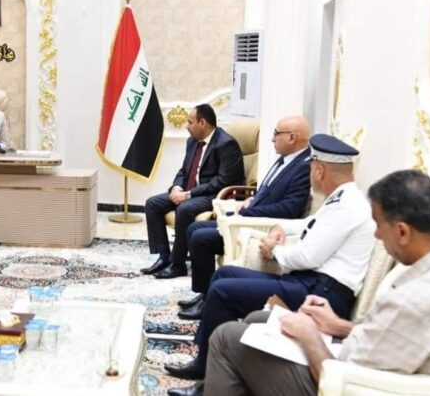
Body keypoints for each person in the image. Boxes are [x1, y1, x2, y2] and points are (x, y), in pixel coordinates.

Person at [201, 169, 430, 396]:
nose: (376, 235)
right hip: (368, 365)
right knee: (259, 319)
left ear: (403, 232)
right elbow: (395, 337)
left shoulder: (415, 300)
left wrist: (309, 334)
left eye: (379, 225)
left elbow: (346, 381)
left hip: (345, 384)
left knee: (226, 338)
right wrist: (339, 326)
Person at [165, 134, 375, 396]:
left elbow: (308, 257)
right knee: (224, 274)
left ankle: (206, 379)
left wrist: (273, 251)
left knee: (222, 292)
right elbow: (308, 225)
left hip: (322, 296)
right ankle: (205, 363)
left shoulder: (347, 206)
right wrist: (279, 227)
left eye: (311, 167)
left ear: (320, 170)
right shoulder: (341, 198)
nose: (310, 173)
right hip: (311, 284)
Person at [179, 116, 312, 320]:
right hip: (249, 217)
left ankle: (208, 301)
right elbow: (267, 192)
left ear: (292, 137)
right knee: (194, 229)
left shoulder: (303, 166)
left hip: (257, 227)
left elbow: (288, 209)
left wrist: (246, 213)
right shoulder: (286, 159)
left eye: (276, 134)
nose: (272, 139)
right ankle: (204, 293)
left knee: (200, 238)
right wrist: (251, 200)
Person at [142, 104, 244, 279]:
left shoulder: (226, 144)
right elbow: (184, 171)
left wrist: (188, 194)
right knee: (153, 204)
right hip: (190, 192)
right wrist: (177, 187)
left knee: (184, 209)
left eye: (190, 122)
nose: (187, 126)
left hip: (213, 195)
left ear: (203, 123)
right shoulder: (192, 141)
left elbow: (222, 181)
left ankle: (178, 264)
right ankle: (164, 257)